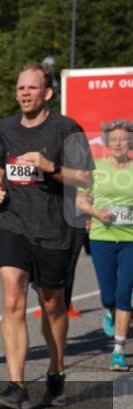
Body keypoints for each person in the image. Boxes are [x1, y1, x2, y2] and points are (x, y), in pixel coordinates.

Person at [0, 62, 94, 409]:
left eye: (31, 88)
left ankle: (56, 371)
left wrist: (52, 168)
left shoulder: (66, 128)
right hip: (12, 225)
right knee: (12, 299)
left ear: (47, 93)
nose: (24, 94)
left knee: (52, 305)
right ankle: (16, 385)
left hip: (54, 230)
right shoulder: (4, 129)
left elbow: (86, 178)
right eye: (20, 88)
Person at [76, 119, 133, 371]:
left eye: (124, 139)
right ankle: (109, 311)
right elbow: (80, 201)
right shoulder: (95, 169)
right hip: (101, 237)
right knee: (108, 295)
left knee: (124, 293)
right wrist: (97, 213)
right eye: (114, 139)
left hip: (130, 239)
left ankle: (118, 350)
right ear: (107, 143)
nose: (119, 143)